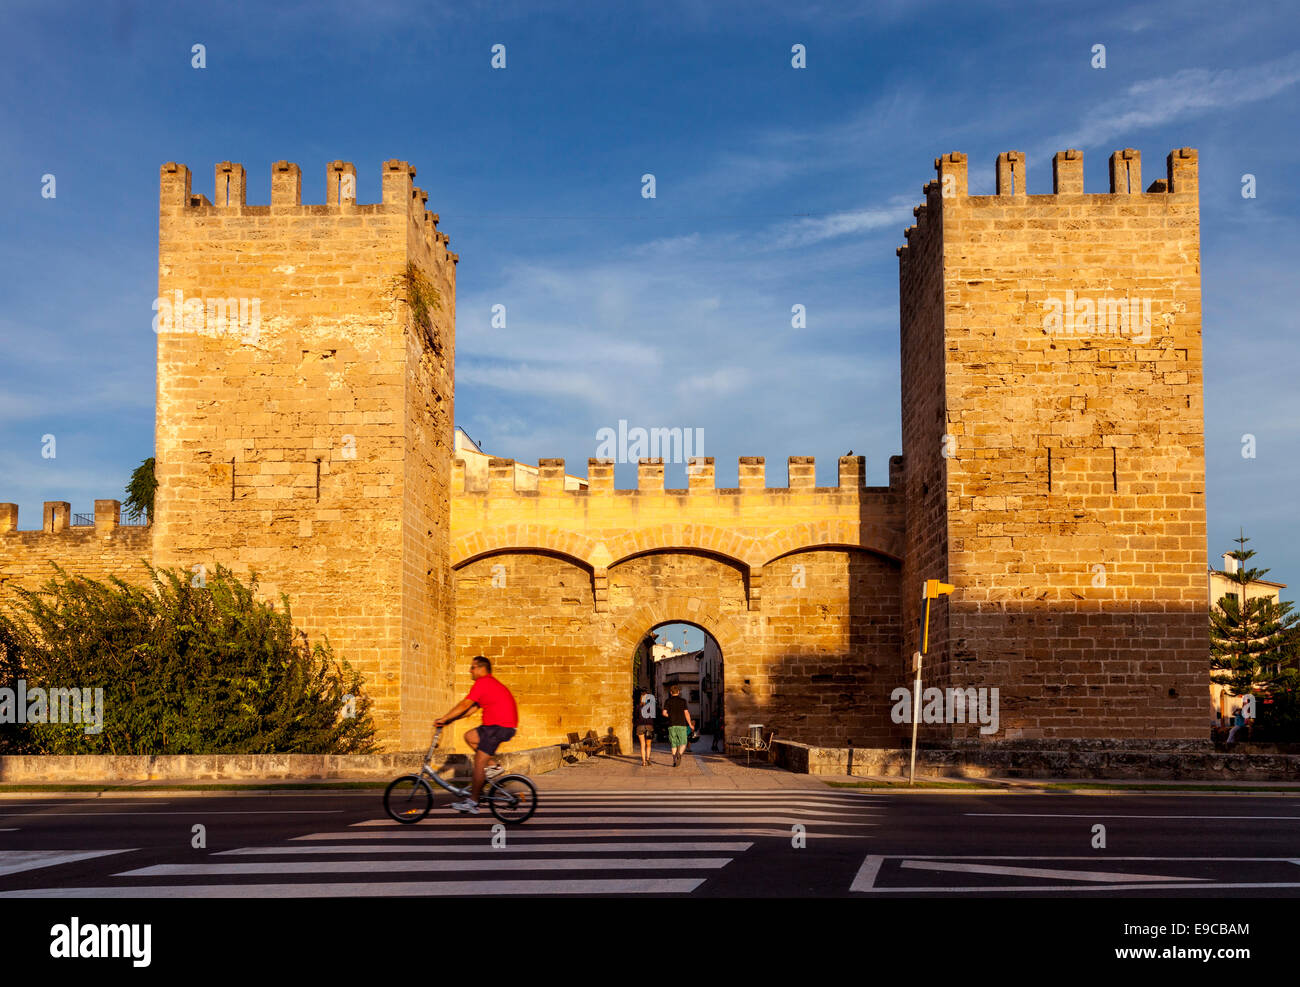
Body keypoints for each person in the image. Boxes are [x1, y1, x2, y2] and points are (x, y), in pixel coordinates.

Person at [435, 655, 518, 814]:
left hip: (497, 727)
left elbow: (465, 703)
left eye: (472, 667)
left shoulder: (483, 683)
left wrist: (445, 717)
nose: (470, 670)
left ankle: (473, 802)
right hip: (497, 726)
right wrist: (450, 720)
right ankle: (493, 766)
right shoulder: (490, 684)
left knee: (479, 763)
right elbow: (470, 710)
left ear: (481, 669)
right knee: (470, 736)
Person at [661, 683, 694, 767]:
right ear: (678, 692)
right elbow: (686, 713)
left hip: (672, 725)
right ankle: (679, 754)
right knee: (684, 743)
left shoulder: (668, 701)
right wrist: (690, 724)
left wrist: (670, 716)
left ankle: (674, 760)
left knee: (674, 744)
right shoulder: (683, 701)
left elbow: (664, 713)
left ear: (671, 692)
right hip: (682, 725)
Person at [635, 689, 656, 766]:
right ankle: (648, 759)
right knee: (649, 745)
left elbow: (636, 716)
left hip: (640, 726)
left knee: (642, 745)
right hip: (649, 726)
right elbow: (653, 717)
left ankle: (643, 761)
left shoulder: (637, 707)